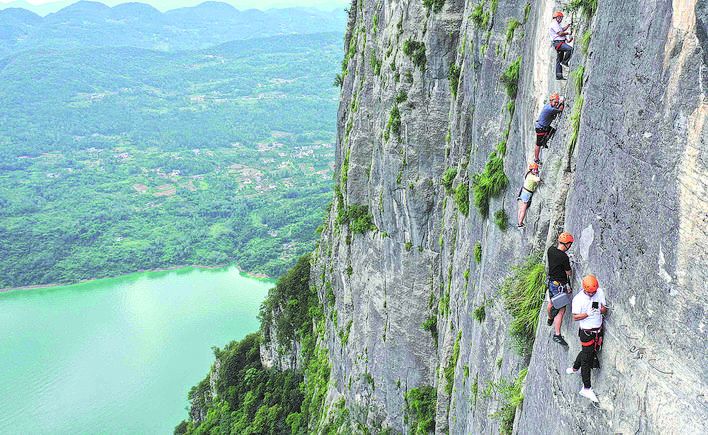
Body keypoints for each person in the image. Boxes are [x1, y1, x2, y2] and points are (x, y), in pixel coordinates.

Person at [567, 274, 607, 403]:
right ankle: (586, 388)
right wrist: (587, 313)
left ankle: (574, 368)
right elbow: (575, 317)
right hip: (587, 332)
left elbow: (604, 309)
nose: (592, 294)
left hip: (597, 330)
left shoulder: (599, 292)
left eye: (593, 292)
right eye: (590, 292)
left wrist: (601, 310)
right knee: (586, 359)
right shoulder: (578, 300)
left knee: (586, 352)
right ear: (584, 289)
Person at [546, 231, 574, 346]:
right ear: (567, 244)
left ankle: (549, 318)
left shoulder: (550, 250)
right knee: (561, 310)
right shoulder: (564, 257)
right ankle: (557, 335)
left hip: (551, 282)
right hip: (559, 286)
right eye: (570, 244)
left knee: (552, 302)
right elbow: (569, 273)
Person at [534, 93, 565, 164]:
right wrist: (562, 102)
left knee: (552, 131)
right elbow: (560, 109)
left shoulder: (549, 106)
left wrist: (559, 102)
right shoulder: (549, 109)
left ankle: (544, 141)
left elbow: (556, 108)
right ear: (551, 101)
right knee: (538, 144)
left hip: (543, 126)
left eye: (557, 102)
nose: (556, 104)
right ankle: (536, 159)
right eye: (555, 102)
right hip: (541, 128)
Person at [516, 163, 541, 228]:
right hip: (527, 193)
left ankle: (519, 222)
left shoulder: (529, 174)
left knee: (521, 208)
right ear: (531, 170)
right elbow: (538, 179)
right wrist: (538, 173)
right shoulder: (532, 176)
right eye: (534, 170)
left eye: (536, 169)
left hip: (524, 191)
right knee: (523, 209)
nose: (536, 171)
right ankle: (520, 224)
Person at [550, 11, 573, 80]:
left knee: (558, 60)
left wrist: (568, 25)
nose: (561, 19)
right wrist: (568, 33)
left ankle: (558, 75)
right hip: (558, 43)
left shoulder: (557, 24)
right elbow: (560, 33)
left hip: (560, 43)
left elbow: (562, 29)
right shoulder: (554, 24)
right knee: (570, 49)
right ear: (556, 18)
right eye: (560, 18)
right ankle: (565, 62)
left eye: (561, 18)